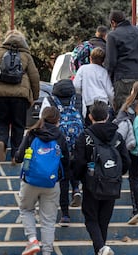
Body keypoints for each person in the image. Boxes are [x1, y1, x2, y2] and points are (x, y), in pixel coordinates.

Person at [73, 101, 130, 255]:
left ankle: (101, 250)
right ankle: (99, 253)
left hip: (91, 185)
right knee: (103, 220)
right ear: (107, 116)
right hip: (112, 184)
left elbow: (78, 162)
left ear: (90, 117)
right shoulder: (117, 136)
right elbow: (126, 161)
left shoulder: (85, 136)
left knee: (91, 218)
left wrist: (78, 178)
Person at [14, 106, 69, 255]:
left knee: (26, 210)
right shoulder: (60, 136)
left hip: (30, 181)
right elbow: (66, 161)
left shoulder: (32, 133)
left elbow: (18, 157)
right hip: (52, 183)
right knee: (48, 220)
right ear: (58, 120)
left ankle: (32, 240)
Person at [0, 29, 40, 163]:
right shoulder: (26, 56)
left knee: (2, 121)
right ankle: (16, 154)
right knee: (18, 124)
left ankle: (1, 141)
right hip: (20, 96)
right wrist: (34, 96)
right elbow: (34, 77)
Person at [41, 79, 83, 227]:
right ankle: (77, 188)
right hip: (77, 143)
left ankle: (65, 214)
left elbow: (43, 119)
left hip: (57, 143)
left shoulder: (50, 100)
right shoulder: (78, 98)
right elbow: (83, 116)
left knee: (63, 177)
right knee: (74, 167)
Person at [114, 80, 138, 225]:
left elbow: (119, 124)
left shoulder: (127, 108)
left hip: (132, 147)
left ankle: (136, 209)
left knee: (134, 177)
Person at [105, 10, 138, 113]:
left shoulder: (112, 36)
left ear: (113, 22)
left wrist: (108, 75)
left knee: (123, 109)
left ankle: (124, 129)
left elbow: (111, 61)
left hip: (122, 77)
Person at [73, 47, 114, 127]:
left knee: (89, 127)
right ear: (103, 61)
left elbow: (76, 85)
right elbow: (110, 92)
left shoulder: (83, 69)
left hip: (88, 103)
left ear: (90, 58)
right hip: (103, 103)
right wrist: (112, 105)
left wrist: (81, 95)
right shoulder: (103, 71)